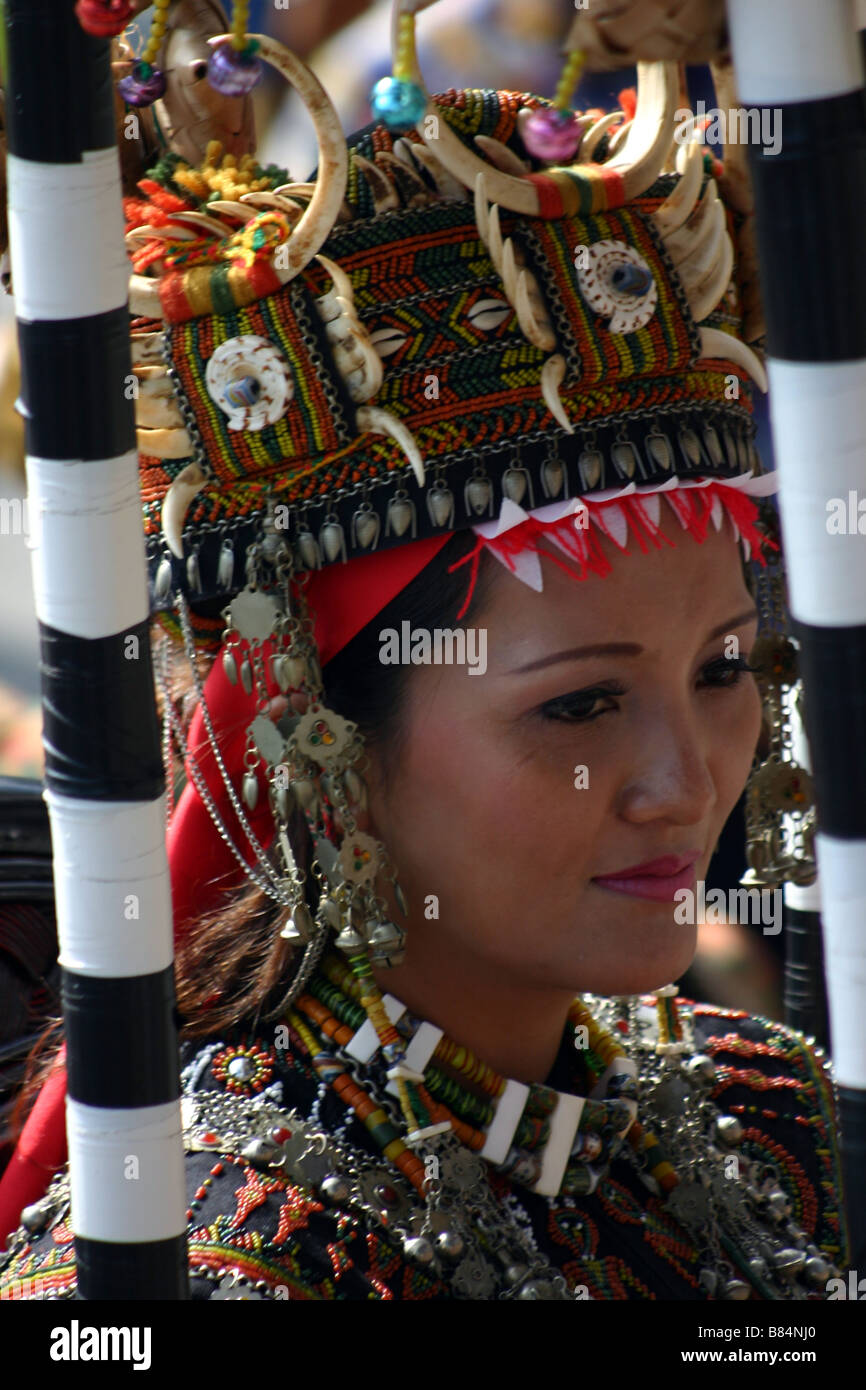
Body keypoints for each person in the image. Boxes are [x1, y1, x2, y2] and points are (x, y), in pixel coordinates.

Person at [0, 7, 846, 1300]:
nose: (682, 782)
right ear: (323, 737)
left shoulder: (778, 1120)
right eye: (579, 705)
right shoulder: (214, 1260)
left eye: (724, 669)